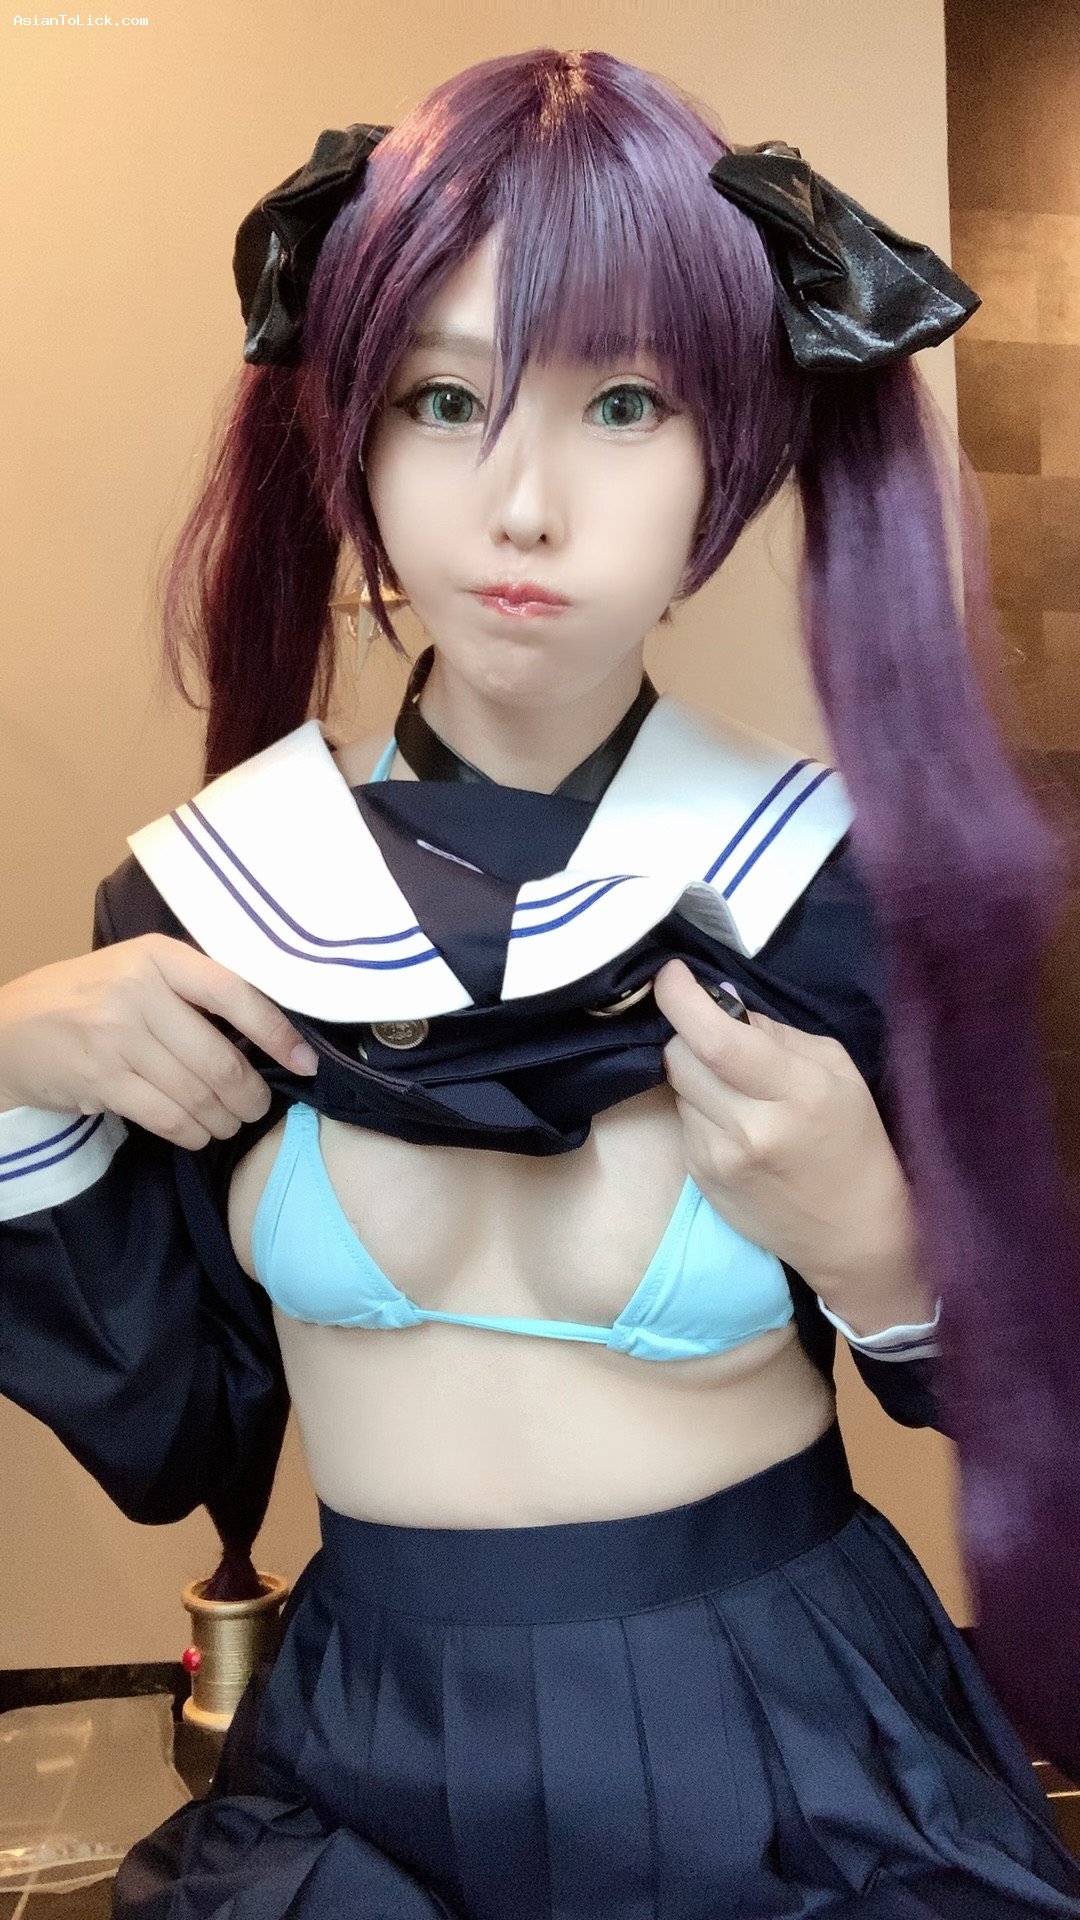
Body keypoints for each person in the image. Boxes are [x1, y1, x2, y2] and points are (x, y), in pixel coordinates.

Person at [2, 44, 1080, 1920]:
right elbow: (175, 1432)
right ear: (350, 432)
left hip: (787, 1748)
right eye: (445, 398)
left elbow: (1027, 1404)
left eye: (625, 403)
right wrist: (13, 1066)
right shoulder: (212, 904)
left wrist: (882, 1258)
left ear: (736, 448)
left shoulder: (835, 893)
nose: (521, 503)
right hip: (364, 1756)